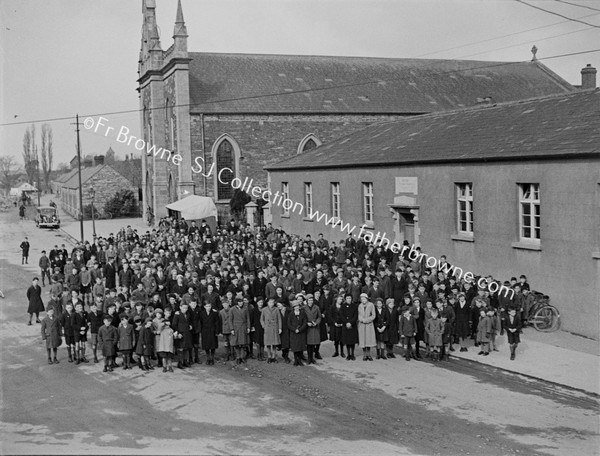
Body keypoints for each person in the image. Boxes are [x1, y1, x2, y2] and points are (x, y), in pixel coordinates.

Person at [260, 297, 282, 363]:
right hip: (267, 328)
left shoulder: (276, 309)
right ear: (267, 303)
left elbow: (279, 319)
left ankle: (274, 357)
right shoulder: (264, 309)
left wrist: (280, 328)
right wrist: (264, 326)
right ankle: (269, 356)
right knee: (268, 343)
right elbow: (261, 319)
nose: (271, 304)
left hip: (274, 327)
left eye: (272, 302)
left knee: (274, 344)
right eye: (270, 302)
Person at [198, 300, 220, 365]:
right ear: (204, 306)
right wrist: (201, 330)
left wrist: (217, 331)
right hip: (205, 331)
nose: (208, 307)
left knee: (213, 345)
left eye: (209, 306)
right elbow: (200, 322)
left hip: (212, 330)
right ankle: (208, 358)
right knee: (206, 345)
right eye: (207, 306)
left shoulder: (214, 313)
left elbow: (217, 323)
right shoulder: (202, 313)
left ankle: (212, 358)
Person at [287, 300, 308, 366]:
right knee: (295, 347)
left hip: (301, 332)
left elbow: (305, 322)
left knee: (300, 347)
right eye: (295, 306)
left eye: (298, 306)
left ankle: (299, 360)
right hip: (294, 333)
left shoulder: (302, 313)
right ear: (293, 307)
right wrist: (294, 329)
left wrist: (300, 329)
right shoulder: (291, 314)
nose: (296, 307)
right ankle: (296, 360)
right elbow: (289, 323)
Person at [230, 298, 251, 364]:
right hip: (236, 327)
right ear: (236, 302)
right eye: (239, 302)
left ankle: (242, 357)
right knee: (236, 343)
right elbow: (230, 320)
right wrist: (232, 329)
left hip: (243, 327)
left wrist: (248, 327)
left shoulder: (245, 309)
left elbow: (248, 318)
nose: (241, 303)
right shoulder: (232, 309)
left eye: (242, 302)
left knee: (243, 343)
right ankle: (238, 357)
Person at [357, 293, 376, 361]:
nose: (363, 300)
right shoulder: (360, 306)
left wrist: (367, 320)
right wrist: (361, 319)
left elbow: (373, 315)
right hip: (362, 324)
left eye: (364, 299)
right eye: (362, 299)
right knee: (363, 340)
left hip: (369, 324)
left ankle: (369, 354)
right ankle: (364, 354)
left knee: (368, 339)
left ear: (367, 299)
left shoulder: (371, 305)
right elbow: (359, 314)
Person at [304, 294, 321, 364]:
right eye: (309, 300)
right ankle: (309, 358)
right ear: (307, 301)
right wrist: (307, 323)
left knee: (313, 343)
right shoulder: (304, 308)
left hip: (314, 327)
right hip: (308, 328)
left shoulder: (316, 307)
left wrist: (316, 323)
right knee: (308, 344)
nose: (310, 302)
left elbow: (319, 317)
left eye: (312, 300)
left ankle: (312, 358)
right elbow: (303, 318)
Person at [340, 294, 358, 360]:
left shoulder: (354, 306)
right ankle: (348, 354)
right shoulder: (343, 306)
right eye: (347, 298)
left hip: (352, 325)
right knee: (347, 340)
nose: (349, 299)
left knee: (352, 341)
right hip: (345, 325)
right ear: (345, 299)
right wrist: (346, 322)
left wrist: (351, 322)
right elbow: (341, 315)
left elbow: (356, 315)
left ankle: (352, 354)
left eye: (350, 298)